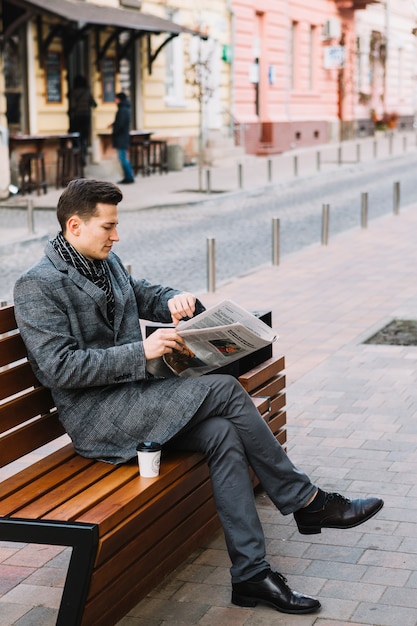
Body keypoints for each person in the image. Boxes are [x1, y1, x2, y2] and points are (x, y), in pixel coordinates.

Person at [13, 179, 383, 616]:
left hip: (138, 402)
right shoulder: (37, 286)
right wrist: (141, 351)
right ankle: (307, 502)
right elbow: (60, 367)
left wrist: (174, 300)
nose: (117, 236)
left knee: (223, 433)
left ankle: (251, 575)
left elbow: (143, 292)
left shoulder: (104, 261)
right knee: (223, 388)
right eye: (108, 227)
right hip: (99, 418)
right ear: (75, 226)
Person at [68, 75, 97, 165]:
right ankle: (83, 154)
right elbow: (94, 104)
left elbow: (72, 106)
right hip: (86, 117)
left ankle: (78, 154)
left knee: (76, 136)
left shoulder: (74, 92)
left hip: (77, 117)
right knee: (84, 138)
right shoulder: (87, 92)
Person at [109, 92, 134, 184]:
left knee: (122, 158)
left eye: (116, 98)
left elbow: (120, 124)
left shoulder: (122, 110)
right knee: (123, 157)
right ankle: (128, 176)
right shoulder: (124, 109)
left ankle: (129, 177)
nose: (115, 100)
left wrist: (115, 131)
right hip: (123, 137)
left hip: (121, 137)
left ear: (119, 99)